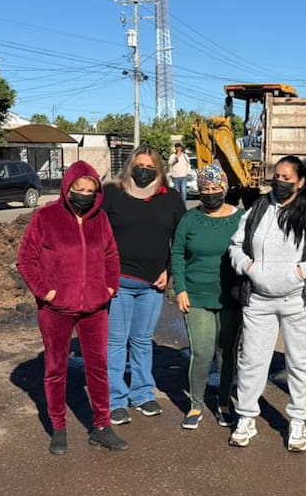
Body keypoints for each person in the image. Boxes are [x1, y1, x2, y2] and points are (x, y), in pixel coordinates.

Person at [227, 155, 306, 452]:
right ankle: (246, 417)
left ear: (301, 181)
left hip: (300, 302)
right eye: (276, 176)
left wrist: (302, 271)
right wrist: (248, 268)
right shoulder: (259, 207)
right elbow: (235, 246)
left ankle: (297, 423)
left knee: (300, 364)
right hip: (259, 301)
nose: (279, 181)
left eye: (286, 177)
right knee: (252, 361)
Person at [16, 161, 128, 454]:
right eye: (79, 189)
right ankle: (58, 427)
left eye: (91, 191)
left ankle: (102, 427)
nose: (85, 195)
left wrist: (109, 288)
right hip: (56, 310)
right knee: (55, 368)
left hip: (94, 308)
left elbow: (111, 255)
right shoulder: (46, 217)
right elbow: (26, 260)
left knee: (98, 367)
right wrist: (45, 292)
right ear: (68, 188)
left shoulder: (100, 219)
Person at [102, 146, 187, 424]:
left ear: (159, 170)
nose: (144, 171)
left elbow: (181, 239)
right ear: (130, 166)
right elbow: (96, 234)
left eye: (150, 168)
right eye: (139, 165)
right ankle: (115, 399)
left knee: (141, 341)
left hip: (153, 285)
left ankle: (141, 393)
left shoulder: (171, 199)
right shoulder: (112, 194)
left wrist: (170, 272)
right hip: (119, 284)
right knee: (116, 342)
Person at [171, 163, 245, 430]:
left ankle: (224, 402)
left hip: (231, 296)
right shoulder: (190, 219)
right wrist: (180, 288)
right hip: (196, 295)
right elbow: (177, 253)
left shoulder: (241, 218)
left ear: (224, 188)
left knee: (226, 352)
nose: (210, 193)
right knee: (202, 352)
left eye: (215, 188)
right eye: (205, 188)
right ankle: (196, 404)